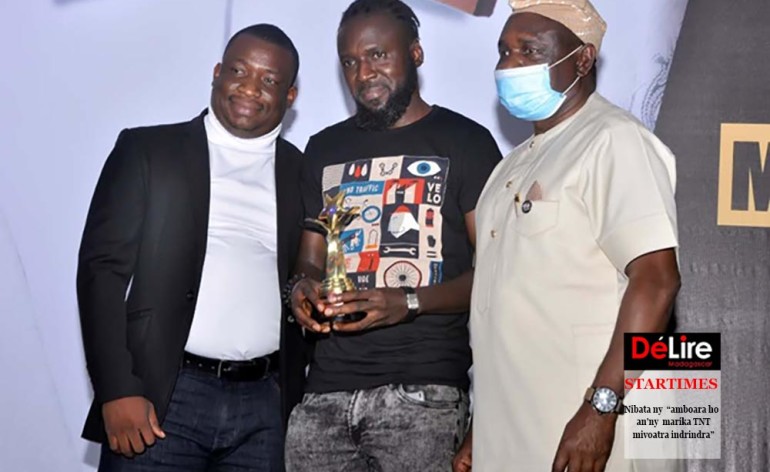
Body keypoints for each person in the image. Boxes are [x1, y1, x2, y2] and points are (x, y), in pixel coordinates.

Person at [452, 1, 681, 471]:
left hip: (593, 430)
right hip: (514, 433)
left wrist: (601, 408)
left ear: (582, 60)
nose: (510, 65)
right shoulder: (508, 167)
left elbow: (658, 281)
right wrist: (482, 427)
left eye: (530, 51)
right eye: (505, 51)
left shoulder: (614, 139)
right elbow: (503, 308)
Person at [77, 24, 307, 471]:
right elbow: (101, 272)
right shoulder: (148, 150)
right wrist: (116, 388)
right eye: (238, 71)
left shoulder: (302, 171)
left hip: (266, 410)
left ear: (290, 96)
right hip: (162, 399)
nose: (250, 88)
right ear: (217, 73)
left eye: (269, 80)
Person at [283, 0, 502, 470]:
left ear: (416, 53)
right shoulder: (323, 149)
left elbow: (497, 272)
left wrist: (409, 302)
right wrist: (301, 288)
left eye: (378, 55)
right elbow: (311, 257)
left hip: (423, 395)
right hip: (323, 396)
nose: (364, 73)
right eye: (350, 62)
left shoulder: (466, 141)